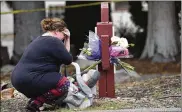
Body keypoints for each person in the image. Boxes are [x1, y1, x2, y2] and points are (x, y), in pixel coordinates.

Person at [11, 17, 73, 111]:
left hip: (17, 79)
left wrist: (66, 39)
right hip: (30, 78)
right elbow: (68, 60)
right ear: (57, 31)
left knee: (52, 79)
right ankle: (36, 102)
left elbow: (64, 56)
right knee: (64, 83)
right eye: (64, 34)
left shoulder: (40, 39)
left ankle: (35, 101)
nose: (64, 37)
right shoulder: (54, 41)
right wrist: (68, 40)